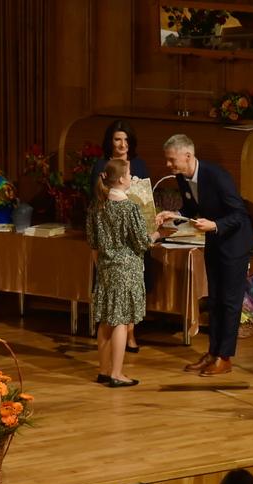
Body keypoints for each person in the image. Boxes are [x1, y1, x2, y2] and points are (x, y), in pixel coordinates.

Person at [155, 134, 253, 376]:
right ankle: (213, 352)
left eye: (172, 160)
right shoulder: (182, 177)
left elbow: (239, 214)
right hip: (215, 243)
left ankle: (225, 357)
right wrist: (174, 214)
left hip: (234, 244)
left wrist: (215, 225)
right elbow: (191, 208)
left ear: (188, 156)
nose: (168, 164)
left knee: (229, 302)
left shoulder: (217, 175)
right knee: (215, 300)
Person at [86, 159, 160, 388]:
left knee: (106, 320)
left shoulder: (97, 206)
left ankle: (104, 370)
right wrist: (157, 234)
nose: (132, 178)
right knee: (121, 320)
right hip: (126, 270)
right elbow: (141, 243)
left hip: (105, 268)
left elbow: (93, 243)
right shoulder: (129, 208)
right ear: (120, 179)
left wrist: (101, 266)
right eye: (129, 174)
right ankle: (117, 373)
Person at [91, 120, 151, 354]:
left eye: (126, 140)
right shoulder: (102, 169)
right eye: (118, 139)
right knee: (115, 303)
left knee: (129, 293)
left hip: (133, 235)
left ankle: (129, 334)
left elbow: (147, 197)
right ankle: (115, 364)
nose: (122, 144)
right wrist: (156, 234)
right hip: (116, 246)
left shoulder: (139, 165)